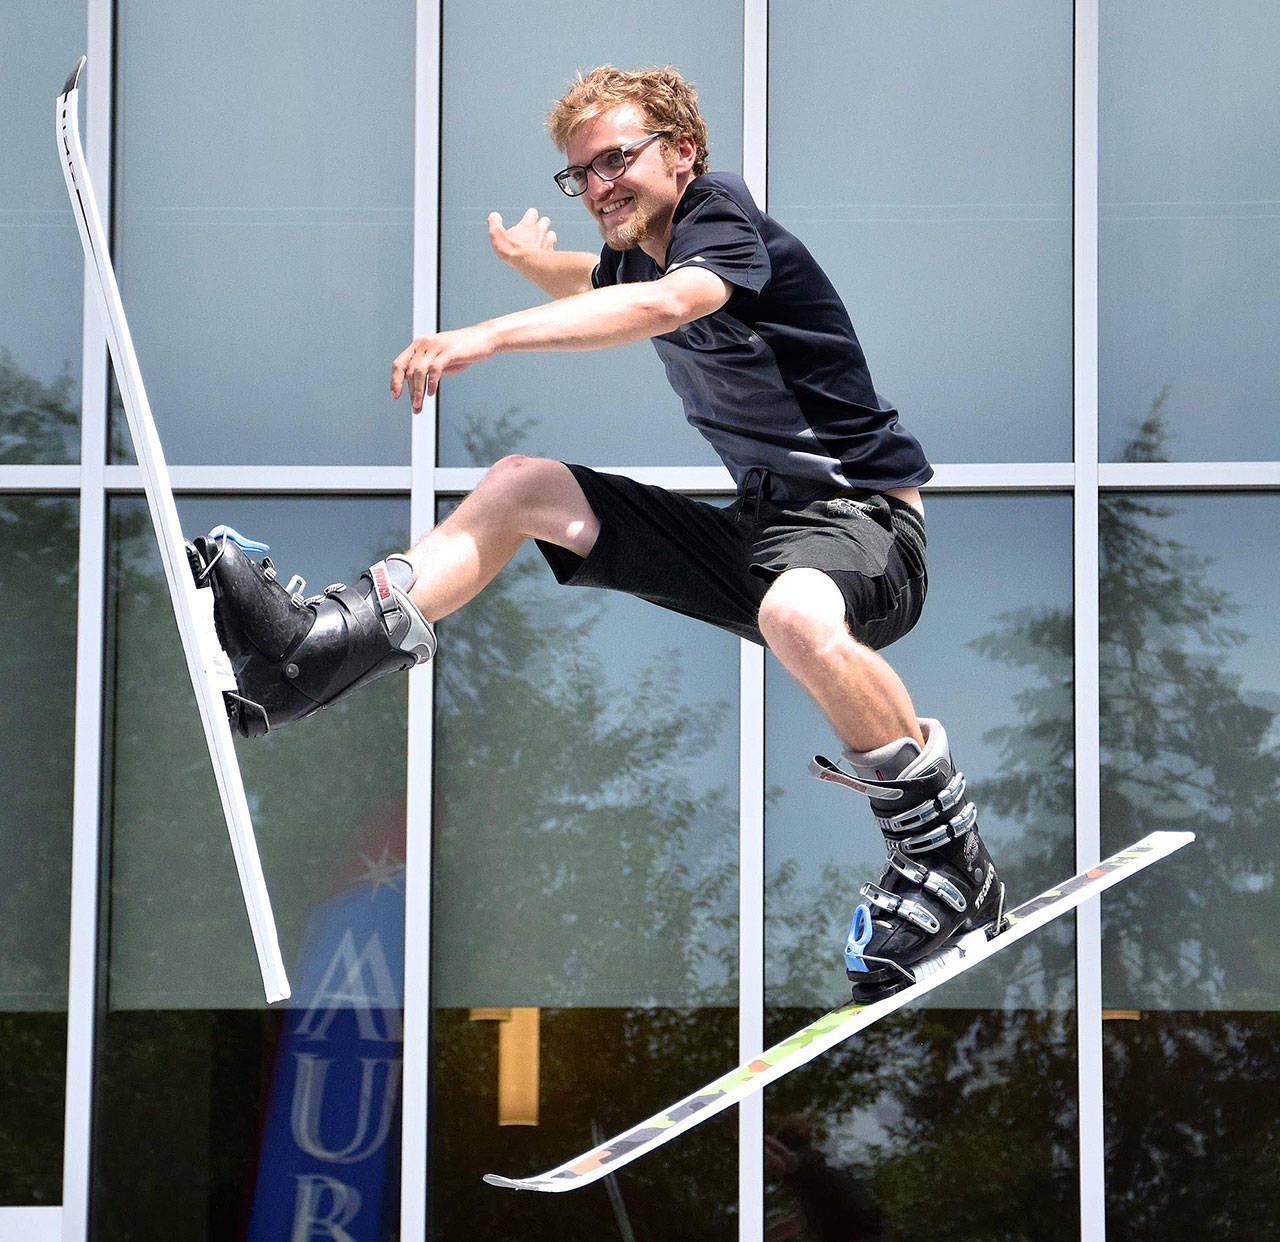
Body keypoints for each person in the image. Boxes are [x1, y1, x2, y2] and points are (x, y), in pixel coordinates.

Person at [189, 65, 1004, 995]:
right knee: (523, 484)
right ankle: (314, 651)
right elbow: (602, 277)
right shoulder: (639, 253)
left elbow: (662, 304)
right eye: (581, 175)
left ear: (683, 153)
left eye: (616, 159)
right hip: (763, 536)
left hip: (866, 527)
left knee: (797, 619)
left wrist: (486, 334)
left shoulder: (721, 221)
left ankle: (947, 862)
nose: (599, 186)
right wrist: (537, 267)